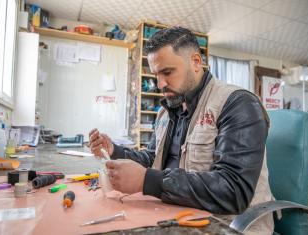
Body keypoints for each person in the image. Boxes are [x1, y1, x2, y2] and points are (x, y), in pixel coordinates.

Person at [89, 27, 273, 234]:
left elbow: (233, 191)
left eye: (167, 72)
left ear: (196, 62)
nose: (160, 84)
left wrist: (147, 181)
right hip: (178, 214)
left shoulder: (237, 104)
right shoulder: (167, 111)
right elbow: (152, 158)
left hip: (230, 225)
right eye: (156, 75)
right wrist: (114, 150)